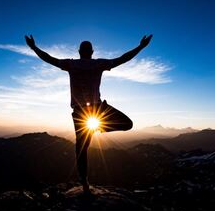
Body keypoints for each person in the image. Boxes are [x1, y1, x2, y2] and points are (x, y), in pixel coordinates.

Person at [25, 34, 153, 193]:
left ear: (79, 52)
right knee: (127, 124)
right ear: (92, 52)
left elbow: (49, 59)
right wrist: (140, 47)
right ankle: (99, 128)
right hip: (98, 109)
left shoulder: (71, 64)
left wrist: (34, 47)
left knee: (81, 149)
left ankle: (84, 181)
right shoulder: (99, 63)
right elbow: (122, 59)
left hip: (79, 112)